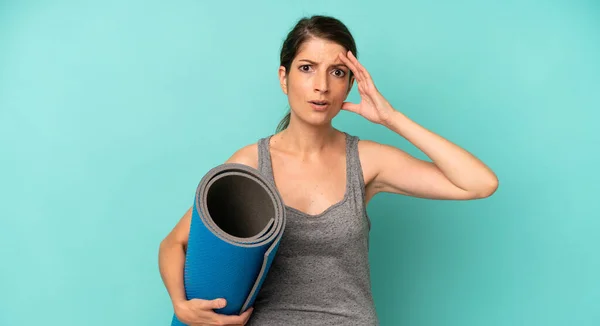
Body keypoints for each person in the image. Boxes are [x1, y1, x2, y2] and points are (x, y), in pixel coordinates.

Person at [158, 15, 499, 326]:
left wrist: (392, 119)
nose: (321, 85)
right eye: (307, 68)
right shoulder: (251, 164)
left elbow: (479, 183)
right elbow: (174, 243)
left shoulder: (367, 161)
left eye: (337, 72)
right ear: (283, 77)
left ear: (350, 84)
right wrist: (181, 304)